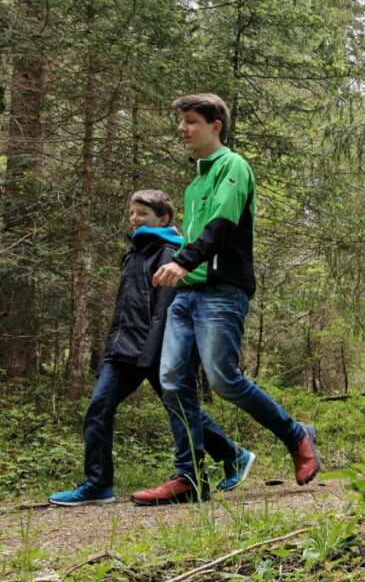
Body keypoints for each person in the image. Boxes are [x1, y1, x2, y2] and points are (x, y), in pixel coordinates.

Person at [134, 93, 320, 507]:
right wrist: (180, 270)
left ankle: (295, 434)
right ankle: (189, 476)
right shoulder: (195, 182)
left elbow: (221, 223)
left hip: (222, 292)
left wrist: (182, 261)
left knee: (222, 378)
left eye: (190, 121)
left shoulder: (233, 166)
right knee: (172, 383)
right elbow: (198, 231)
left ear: (215, 125)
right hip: (186, 296)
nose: (182, 129)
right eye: (180, 121)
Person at [49, 190, 255, 507]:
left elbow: (165, 309)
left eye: (142, 213)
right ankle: (98, 484)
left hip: (154, 349)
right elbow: (126, 310)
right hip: (123, 350)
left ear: (164, 218)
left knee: (184, 411)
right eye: (132, 212)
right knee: (99, 410)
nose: (135, 218)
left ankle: (231, 455)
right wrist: (110, 348)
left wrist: (154, 353)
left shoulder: (169, 252)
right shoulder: (136, 253)